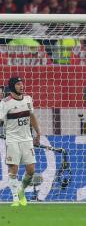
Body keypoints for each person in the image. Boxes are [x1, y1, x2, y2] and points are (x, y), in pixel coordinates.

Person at [0, 77, 41, 207]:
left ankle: (21, 191)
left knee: (31, 170)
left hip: (27, 139)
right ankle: (15, 199)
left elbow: (32, 116)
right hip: (12, 140)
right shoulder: (5, 103)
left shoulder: (28, 99)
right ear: (12, 87)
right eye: (18, 84)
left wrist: (38, 133)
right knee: (14, 169)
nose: (22, 86)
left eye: (22, 84)